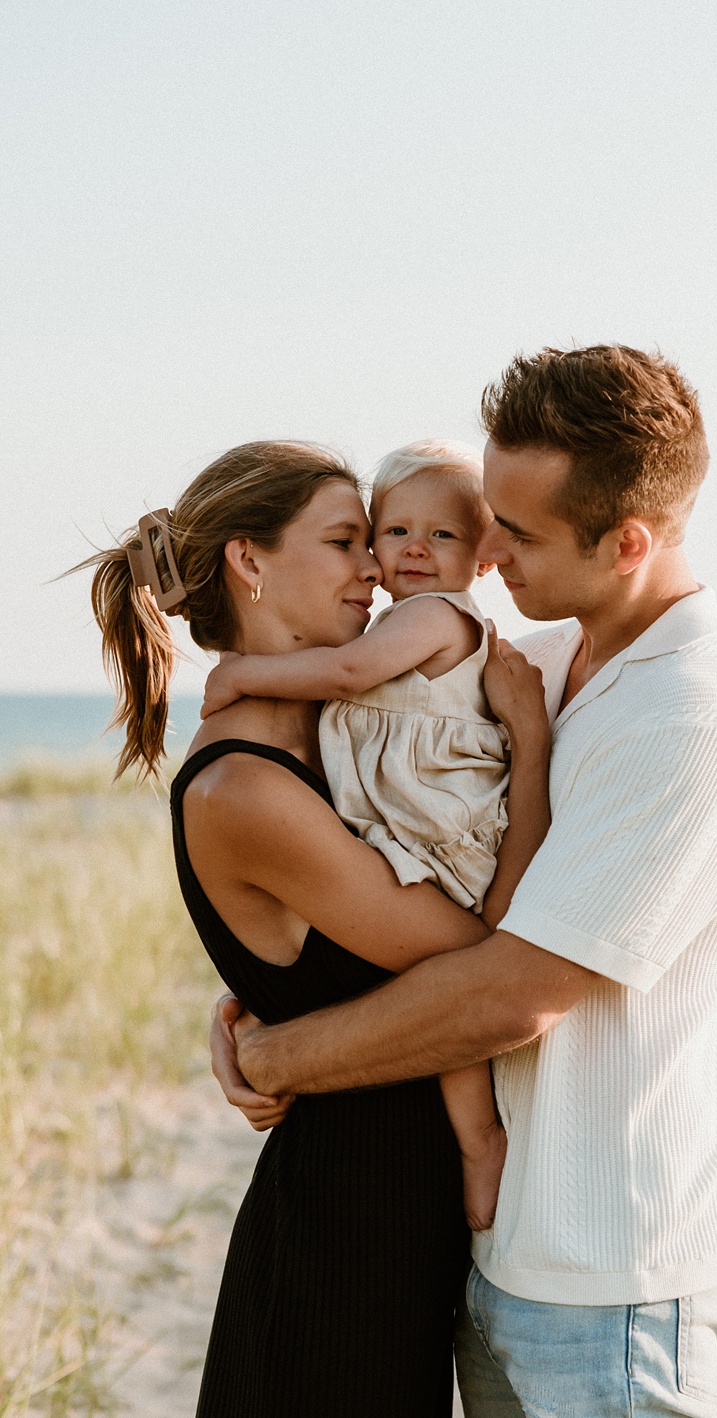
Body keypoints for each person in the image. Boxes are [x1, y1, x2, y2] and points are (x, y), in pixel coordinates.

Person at [212, 348, 717, 1418]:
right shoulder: (544, 660)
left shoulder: (689, 719)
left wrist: (279, 1052)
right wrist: (268, 986)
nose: (487, 553)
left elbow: (512, 991)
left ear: (627, 543)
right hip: (501, 1250)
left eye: (514, 535)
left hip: (612, 1288)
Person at [78, 440, 552, 1418]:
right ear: (249, 562)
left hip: (403, 1221)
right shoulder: (246, 781)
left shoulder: (345, 732)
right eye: (345, 540)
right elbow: (486, 956)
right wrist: (532, 741)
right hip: (341, 1237)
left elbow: (325, 952)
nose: (375, 566)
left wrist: (257, 1021)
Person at [200, 440, 533, 1231]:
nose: (394, 559)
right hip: (344, 1202)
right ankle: (478, 1140)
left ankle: (478, 1139)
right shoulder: (251, 772)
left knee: (468, 972)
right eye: (371, 538)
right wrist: (253, 1007)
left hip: (441, 839)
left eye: (442, 536)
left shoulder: (402, 645)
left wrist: (243, 672)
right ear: (248, 561)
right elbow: (450, 958)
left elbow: (348, 679)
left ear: (481, 554)